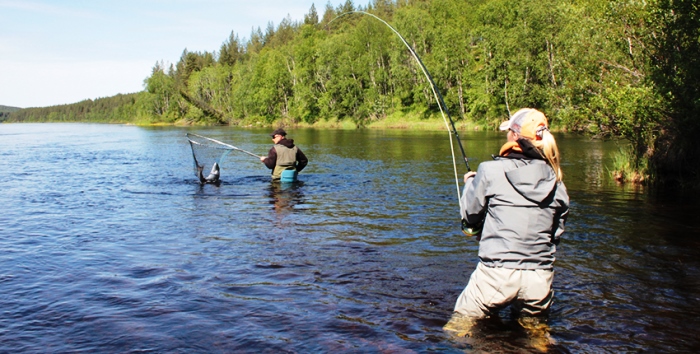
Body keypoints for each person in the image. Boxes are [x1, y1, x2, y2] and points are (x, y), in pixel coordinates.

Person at [443, 108, 569, 340]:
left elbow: (470, 217)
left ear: (514, 135)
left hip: (496, 276)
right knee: (536, 338)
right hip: (540, 280)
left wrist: (471, 183)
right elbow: (555, 234)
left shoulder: (490, 170)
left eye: (507, 131)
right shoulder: (557, 182)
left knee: (455, 332)